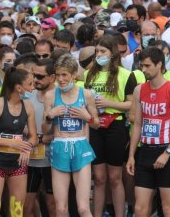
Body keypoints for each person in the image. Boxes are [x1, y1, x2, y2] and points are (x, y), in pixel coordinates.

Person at [126, 47, 170, 217]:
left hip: (166, 152)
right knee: (140, 208)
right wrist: (131, 155)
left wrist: (167, 153)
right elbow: (138, 123)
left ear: (159, 64)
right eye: (141, 66)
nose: (143, 69)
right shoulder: (140, 90)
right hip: (145, 151)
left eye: (147, 66)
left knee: (168, 208)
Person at [84, 35, 136, 217]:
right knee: (99, 178)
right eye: (97, 51)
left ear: (112, 53)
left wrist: (109, 103)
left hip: (116, 125)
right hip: (95, 126)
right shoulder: (88, 74)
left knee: (115, 177)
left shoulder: (125, 75)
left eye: (103, 51)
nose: (99, 55)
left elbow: (132, 104)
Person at [43, 54, 99, 217]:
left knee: (83, 208)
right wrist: (50, 115)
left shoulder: (86, 94)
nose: (60, 79)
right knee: (60, 208)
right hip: (60, 146)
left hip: (80, 147)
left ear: (74, 74)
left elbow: (97, 124)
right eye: (58, 75)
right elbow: (45, 128)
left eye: (64, 75)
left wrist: (87, 117)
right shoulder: (51, 95)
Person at [0, 67, 38, 217]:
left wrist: (27, 148)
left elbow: (34, 137)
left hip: (18, 164)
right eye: (30, 84)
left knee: (17, 211)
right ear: (19, 88)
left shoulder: (28, 106)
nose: (33, 88)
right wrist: (12, 144)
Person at [24, 59, 57, 217]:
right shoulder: (28, 96)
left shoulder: (61, 96)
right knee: (25, 206)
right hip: (30, 158)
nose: (35, 79)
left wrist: (48, 137)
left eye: (40, 76)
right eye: (34, 75)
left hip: (53, 160)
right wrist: (30, 133)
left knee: (53, 205)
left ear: (52, 77)